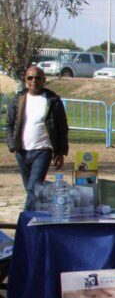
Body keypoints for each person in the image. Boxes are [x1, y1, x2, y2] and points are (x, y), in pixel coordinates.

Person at [5, 66, 68, 210]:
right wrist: (12, 146)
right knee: (30, 188)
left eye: (38, 78)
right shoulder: (18, 99)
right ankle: (50, 196)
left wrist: (60, 153)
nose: (34, 81)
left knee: (33, 187)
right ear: (25, 80)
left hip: (43, 151)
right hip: (22, 152)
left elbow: (62, 128)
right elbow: (9, 125)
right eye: (30, 78)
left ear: (44, 80)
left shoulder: (53, 100)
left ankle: (26, 219)